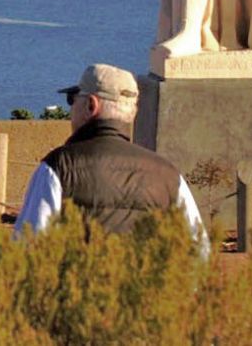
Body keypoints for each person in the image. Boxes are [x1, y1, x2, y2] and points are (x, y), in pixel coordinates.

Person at [13, 63, 208, 256]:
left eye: (72, 99)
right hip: (147, 286)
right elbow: (198, 251)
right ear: (132, 113)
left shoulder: (60, 166)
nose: (71, 109)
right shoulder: (168, 175)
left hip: (78, 285)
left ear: (91, 105)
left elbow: (29, 244)